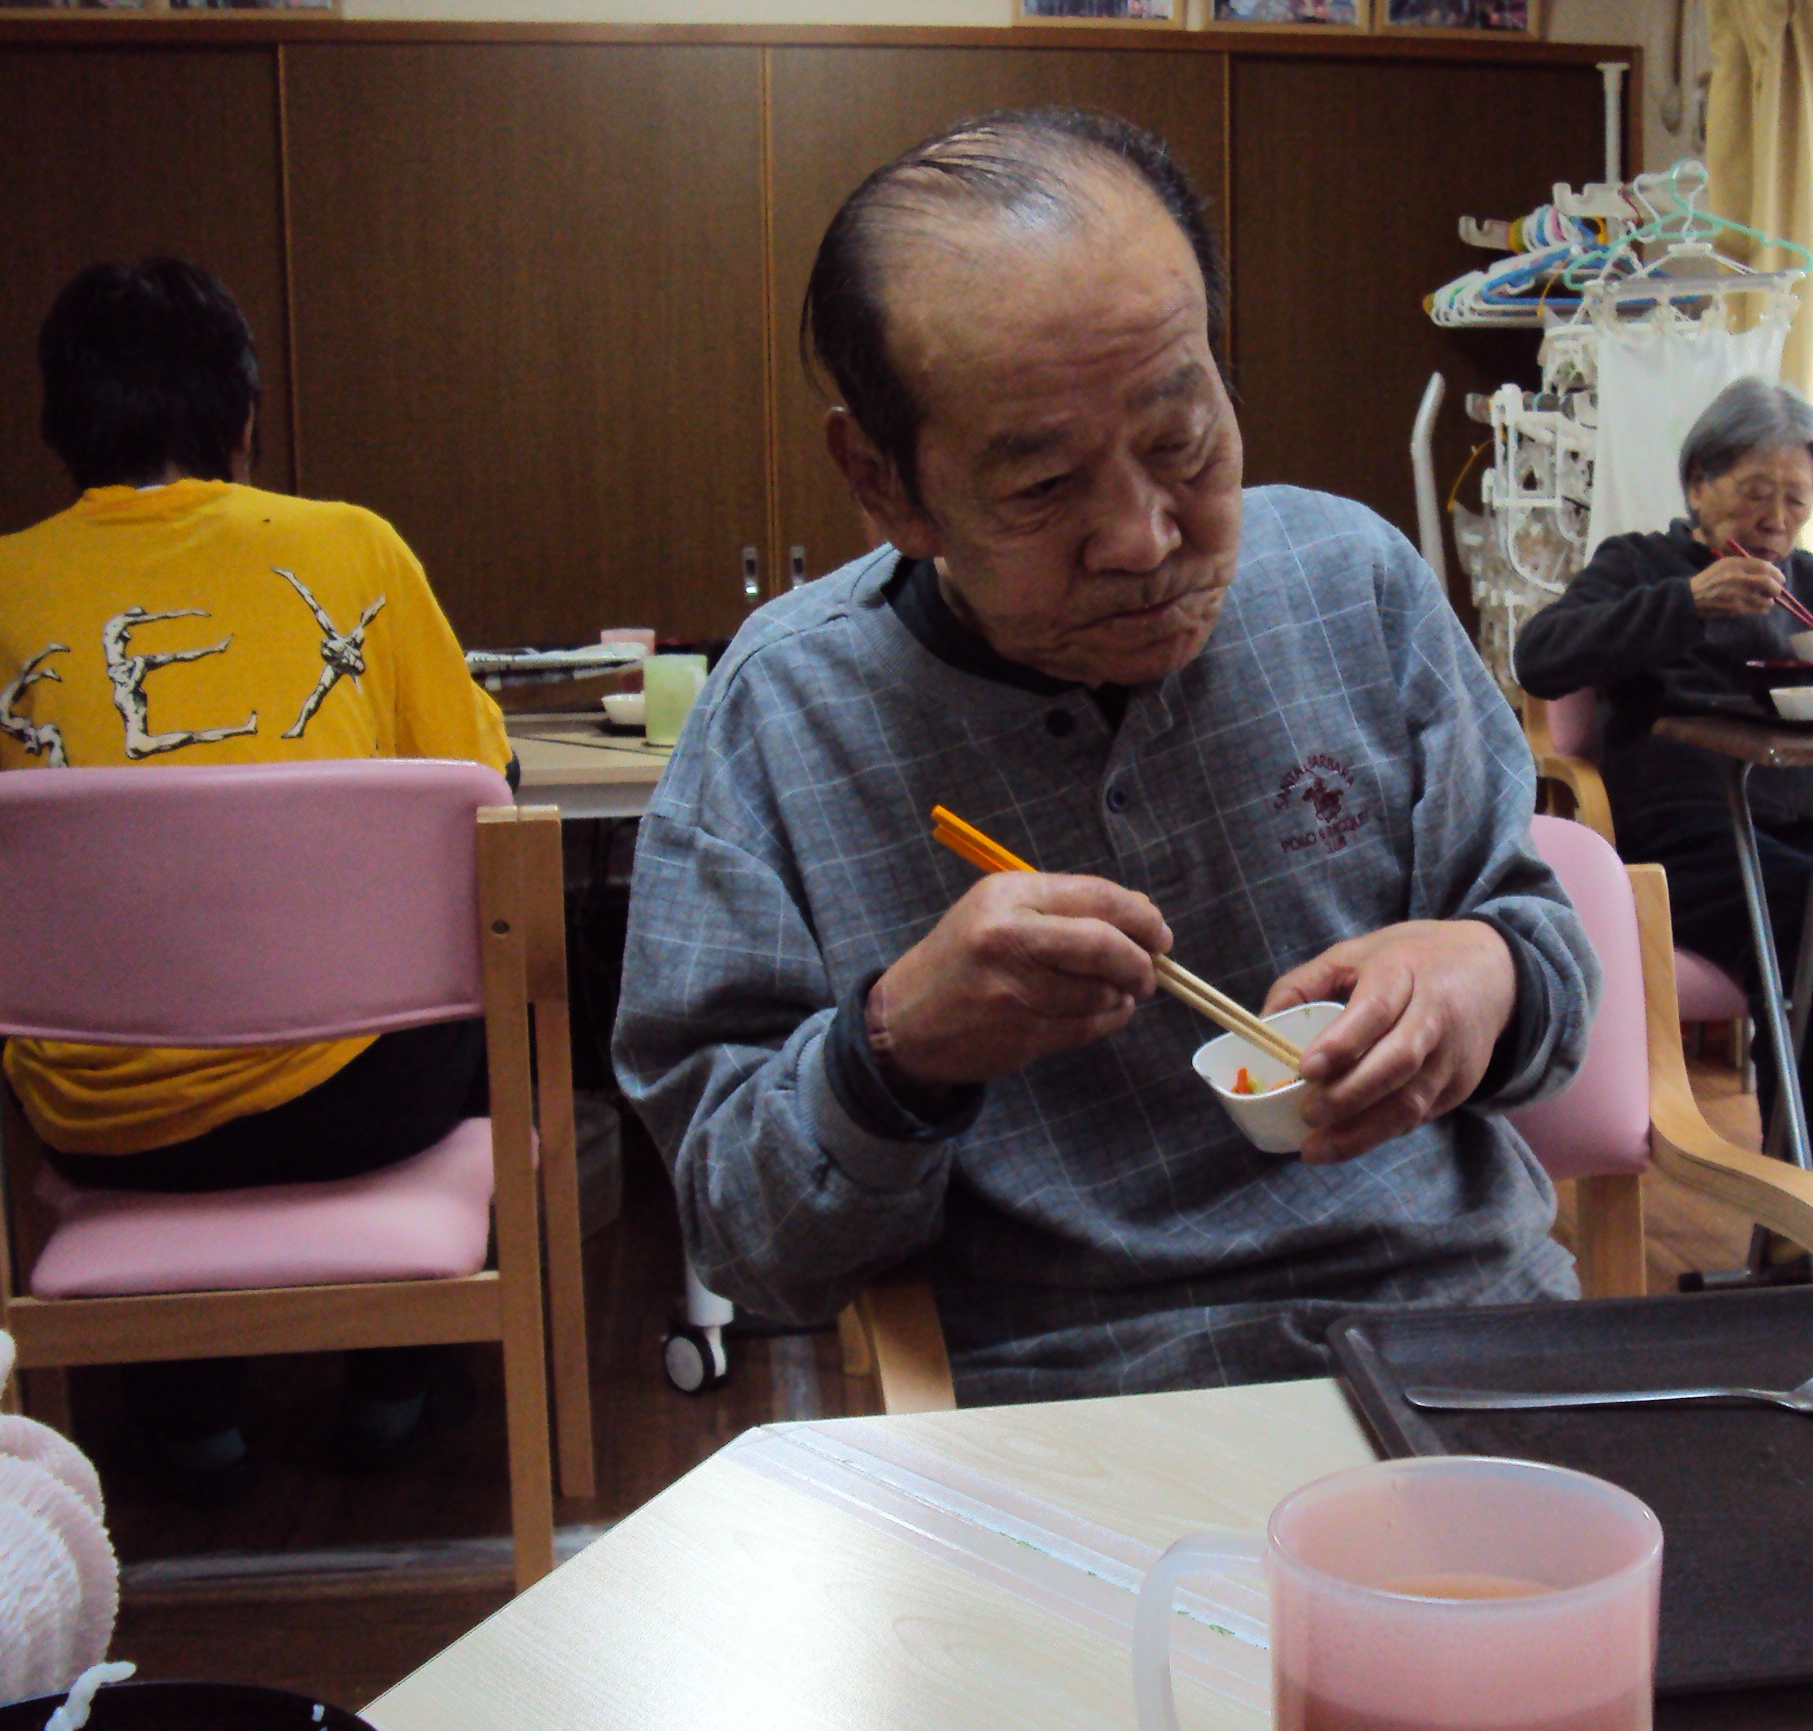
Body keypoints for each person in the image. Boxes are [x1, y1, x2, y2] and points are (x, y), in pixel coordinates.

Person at [613, 108, 1596, 1404]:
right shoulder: (784, 715)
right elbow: (748, 1243)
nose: (1142, 537)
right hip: (1076, 1399)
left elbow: (1542, 961)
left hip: (1460, 1340)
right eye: (1041, 488)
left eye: (1183, 444)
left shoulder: (1354, 585)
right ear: (883, 481)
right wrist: (894, 1052)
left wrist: (1489, 977)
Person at [0, 257, 516, 1488]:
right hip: (360, 1109)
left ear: (59, 425)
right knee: (488, 967)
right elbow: (479, 785)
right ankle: (394, 1385)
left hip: (104, 1127)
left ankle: (191, 1423)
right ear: (244, 419)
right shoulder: (354, 549)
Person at [1512, 378, 1813, 1176]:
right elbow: (1540, 655)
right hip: (1688, 832)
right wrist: (1686, 601)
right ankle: (1805, 1170)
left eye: (1797, 499)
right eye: (1757, 494)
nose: (1777, 519)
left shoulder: (1811, 586)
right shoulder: (1640, 565)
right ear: (1699, 482)